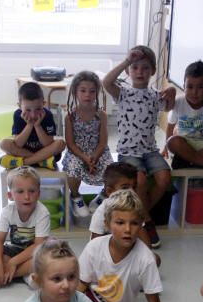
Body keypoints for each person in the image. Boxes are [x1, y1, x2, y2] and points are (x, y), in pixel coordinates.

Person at [78, 190, 184, 302]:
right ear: (107, 224)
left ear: (141, 224)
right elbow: (80, 286)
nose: (127, 229)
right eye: (120, 223)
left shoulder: (146, 259)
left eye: (134, 223)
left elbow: (153, 301)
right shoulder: (94, 247)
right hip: (88, 301)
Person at [102, 45, 177, 248]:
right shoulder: (123, 92)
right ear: (128, 71)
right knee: (140, 180)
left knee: (164, 177)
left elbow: (169, 106)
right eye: (134, 67)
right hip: (128, 152)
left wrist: (171, 91)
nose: (140, 72)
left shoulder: (155, 96)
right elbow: (106, 82)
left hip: (150, 150)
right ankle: (147, 222)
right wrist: (126, 60)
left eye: (145, 68)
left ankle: (140, 215)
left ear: (152, 71)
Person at [0, 166, 50, 290]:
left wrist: (13, 262)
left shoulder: (43, 213)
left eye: (32, 191)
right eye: (20, 192)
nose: (27, 196)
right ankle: (25, 275)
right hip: (14, 250)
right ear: (10, 195)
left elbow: (38, 245)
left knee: (47, 259)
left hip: (34, 253)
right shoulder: (7, 211)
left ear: (39, 193)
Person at [61, 71, 112, 218]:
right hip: (77, 152)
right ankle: (76, 196)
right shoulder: (70, 116)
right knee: (73, 167)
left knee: (111, 169)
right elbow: (70, 143)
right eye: (83, 91)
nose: (87, 95)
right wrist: (85, 158)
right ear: (75, 92)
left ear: (97, 93)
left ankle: (103, 196)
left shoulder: (101, 115)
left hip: (98, 151)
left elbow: (103, 142)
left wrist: (94, 157)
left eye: (92, 91)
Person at [0, 81, 66, 170]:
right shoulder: (18, 115)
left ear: (43, 103)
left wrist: (37, 126)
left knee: (60, 144)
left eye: (38, 109)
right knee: (4, 143)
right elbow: (18, 144)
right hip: (26, 152)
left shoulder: (48, 114)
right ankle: (42, 161)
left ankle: (22, 162)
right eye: (28, 110)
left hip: (44, 151)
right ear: (19, 106)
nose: (33, 115)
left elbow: (48, 143)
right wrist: (29, 125)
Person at [88, 161, 137, 239]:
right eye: (125, 188)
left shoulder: (135, 207)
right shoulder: (102, 212)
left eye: (134, 187)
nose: (132, 192)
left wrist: (146, 251)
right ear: (110, 191)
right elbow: (95, 241)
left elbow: (141, 233)